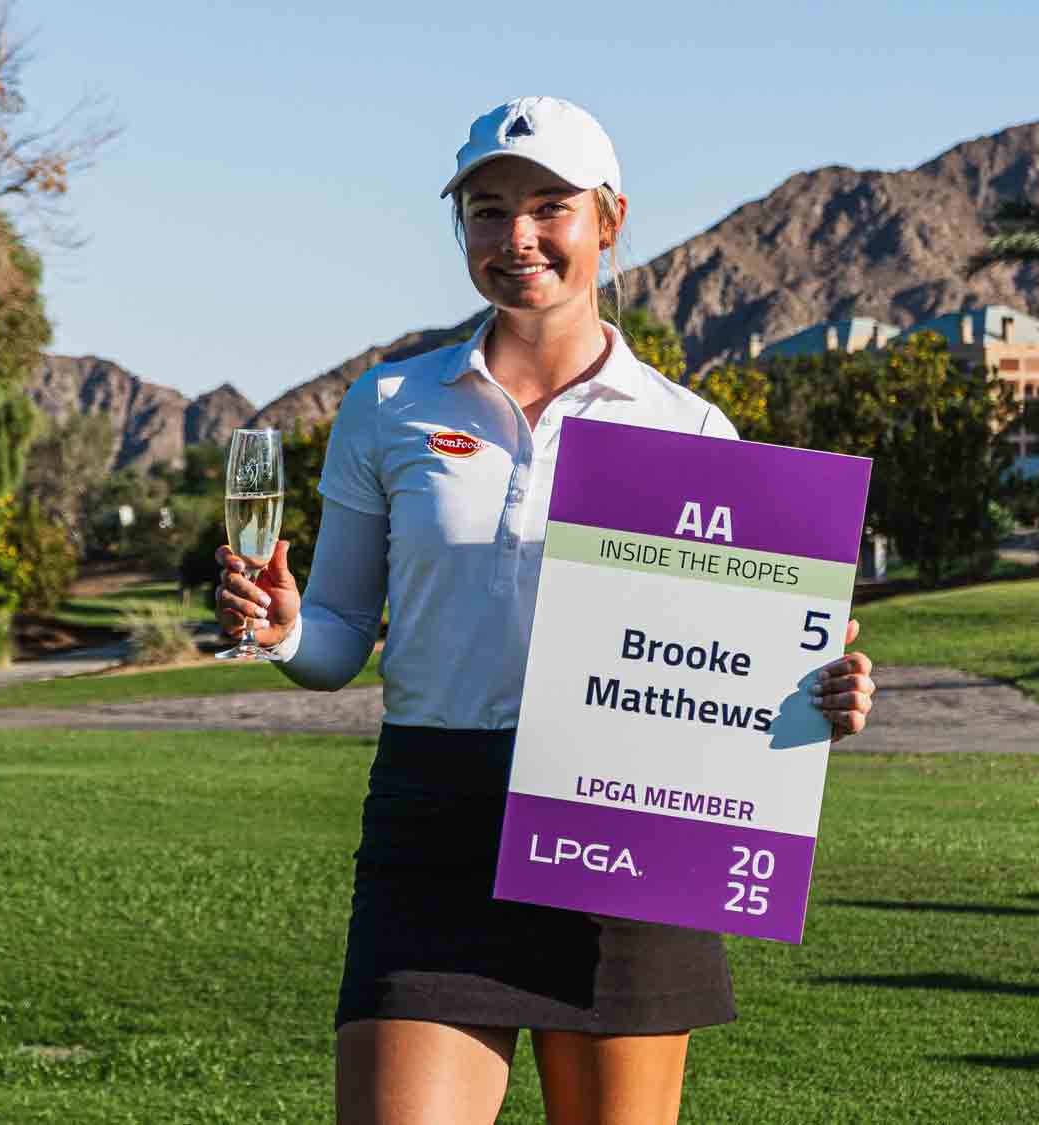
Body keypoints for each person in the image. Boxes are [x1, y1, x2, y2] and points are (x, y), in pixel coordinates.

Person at [216, 96, 877, 1125]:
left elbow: (734, 673)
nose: (515, 236)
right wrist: (285, 629)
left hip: (626, 827)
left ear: (609, 221)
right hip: (435, 820)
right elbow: (338, 640)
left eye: (547, 207)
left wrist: (815, 691)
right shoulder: (388, 406)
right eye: (486, 211)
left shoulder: (691, 430)